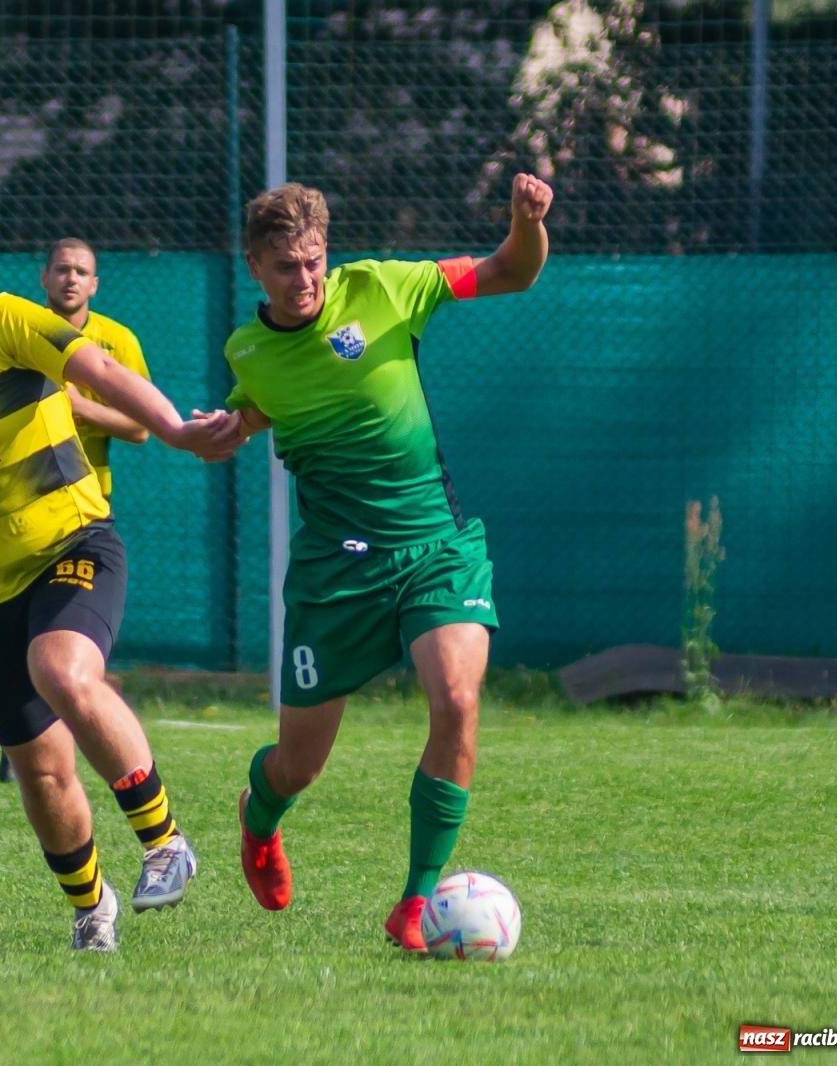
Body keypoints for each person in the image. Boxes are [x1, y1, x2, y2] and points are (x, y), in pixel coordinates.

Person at [0, 222, 240, 951]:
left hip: (74, 541)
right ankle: (91, 905)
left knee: (60, 667)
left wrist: (172, 430)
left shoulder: (1, 320)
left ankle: (165, 843)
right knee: (40, 770)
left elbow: (97, 370)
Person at [223, 175, 553, 952]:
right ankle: (257, 818)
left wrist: (526, 222)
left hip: (437, 549)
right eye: (285, 267)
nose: (304, 279)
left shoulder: (384, 288)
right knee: (298, 766)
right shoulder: (251, 352)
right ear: (253, 268)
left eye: (313, 261)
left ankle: (413, 904)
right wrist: (223, 429)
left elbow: (515, 270)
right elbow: (260, 410)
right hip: (336, 574)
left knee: (457, 702)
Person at [0, 237, 153, 784]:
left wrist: (81, 404)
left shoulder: (115, 340)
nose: (70, 279)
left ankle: (79, 734)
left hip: (85, 515)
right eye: (61, 269)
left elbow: (139, 426)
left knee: (68, 636)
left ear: (95, 284)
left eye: (81, 272)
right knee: (16, 628)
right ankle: (28, 736)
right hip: (20, 509)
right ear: (43, 277)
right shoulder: (14, 331)